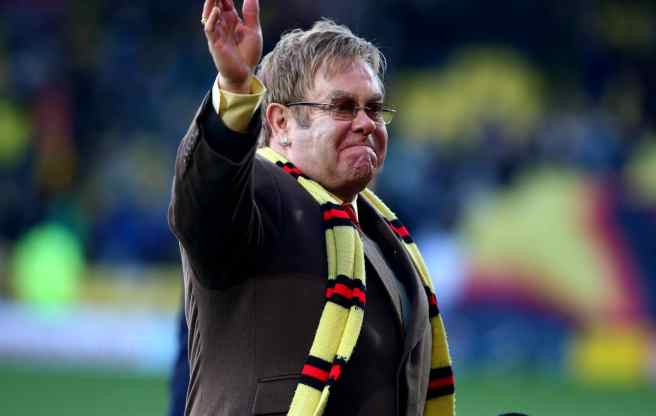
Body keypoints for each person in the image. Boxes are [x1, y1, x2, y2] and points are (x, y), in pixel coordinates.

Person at [168, 0, 455, 415]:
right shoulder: (261, 195)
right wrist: (233, 90)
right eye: (342, 107)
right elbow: (204, 198)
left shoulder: (385, 236)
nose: (366, 123)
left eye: (373, 108)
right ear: (280, 123)